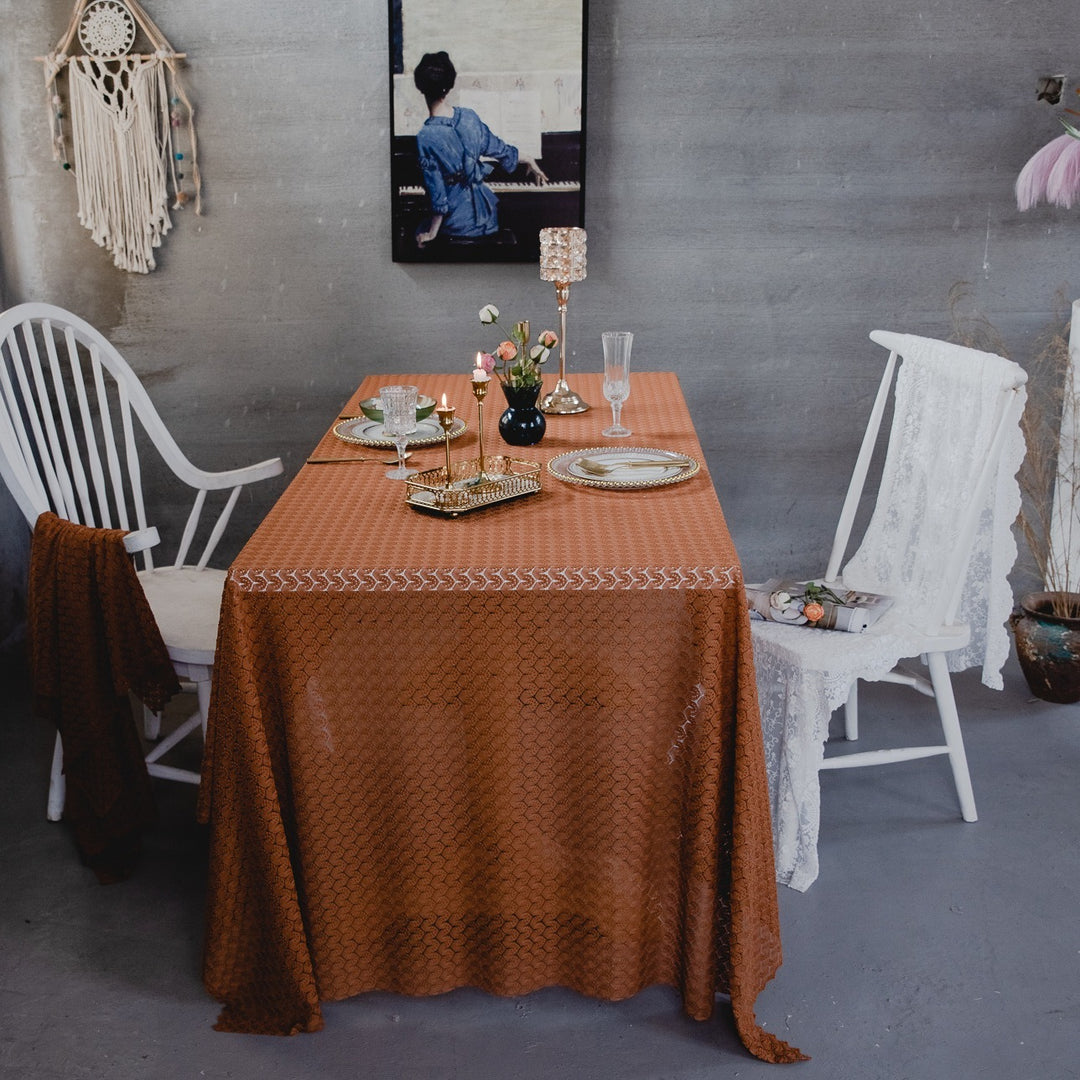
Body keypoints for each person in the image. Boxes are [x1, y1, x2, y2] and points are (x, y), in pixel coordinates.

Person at [412, 51, 548, 248]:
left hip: (455, 223)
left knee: (415, 232)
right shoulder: (469, 117)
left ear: (420, 87)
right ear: (449, 86)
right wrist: (528, 159)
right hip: (487, 217)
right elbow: (499, 149)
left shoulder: (425, 136)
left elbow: (437, 194)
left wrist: (431, 233)